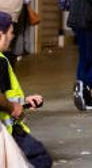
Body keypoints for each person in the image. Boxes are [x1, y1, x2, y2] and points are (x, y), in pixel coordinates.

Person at [0, 11, 52, 167]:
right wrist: (14, 107)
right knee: (40, 159)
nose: (12, 37)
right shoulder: (0, 61)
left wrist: (24, 101)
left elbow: (6, 93)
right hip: (8, 130)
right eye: (10, 33)